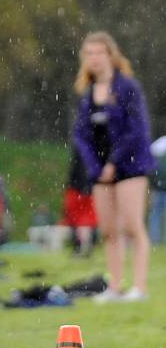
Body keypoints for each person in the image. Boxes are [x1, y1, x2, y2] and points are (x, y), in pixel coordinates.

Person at [72, 31, 154, 302]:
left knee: (133, 226)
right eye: (89, 53)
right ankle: (115, 286)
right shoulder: (86, 96)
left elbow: (136, 131)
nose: (94, 58)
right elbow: (81, 135)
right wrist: (97, 167)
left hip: (130, 166)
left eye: (99, 52)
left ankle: (139, 287)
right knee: (108, 230)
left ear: (110, 55)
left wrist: (113, 162)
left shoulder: (127, 89)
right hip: (100, 172)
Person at [61, 148, 98, 256]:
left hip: (79, 189)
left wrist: (84, 187)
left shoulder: (83, 146)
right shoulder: (88, 146)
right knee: (84, 221)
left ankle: (81, 246)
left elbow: (79, 167)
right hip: (83, 188)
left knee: (81, 221)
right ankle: (86, 246)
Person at [147, 136, 166, 245]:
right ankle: (158, 240)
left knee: (155, 215)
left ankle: (155, 240)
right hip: (158, 190)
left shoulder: (157, 157)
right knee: (156, 215)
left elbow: (151, 174)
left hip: (157, 190)